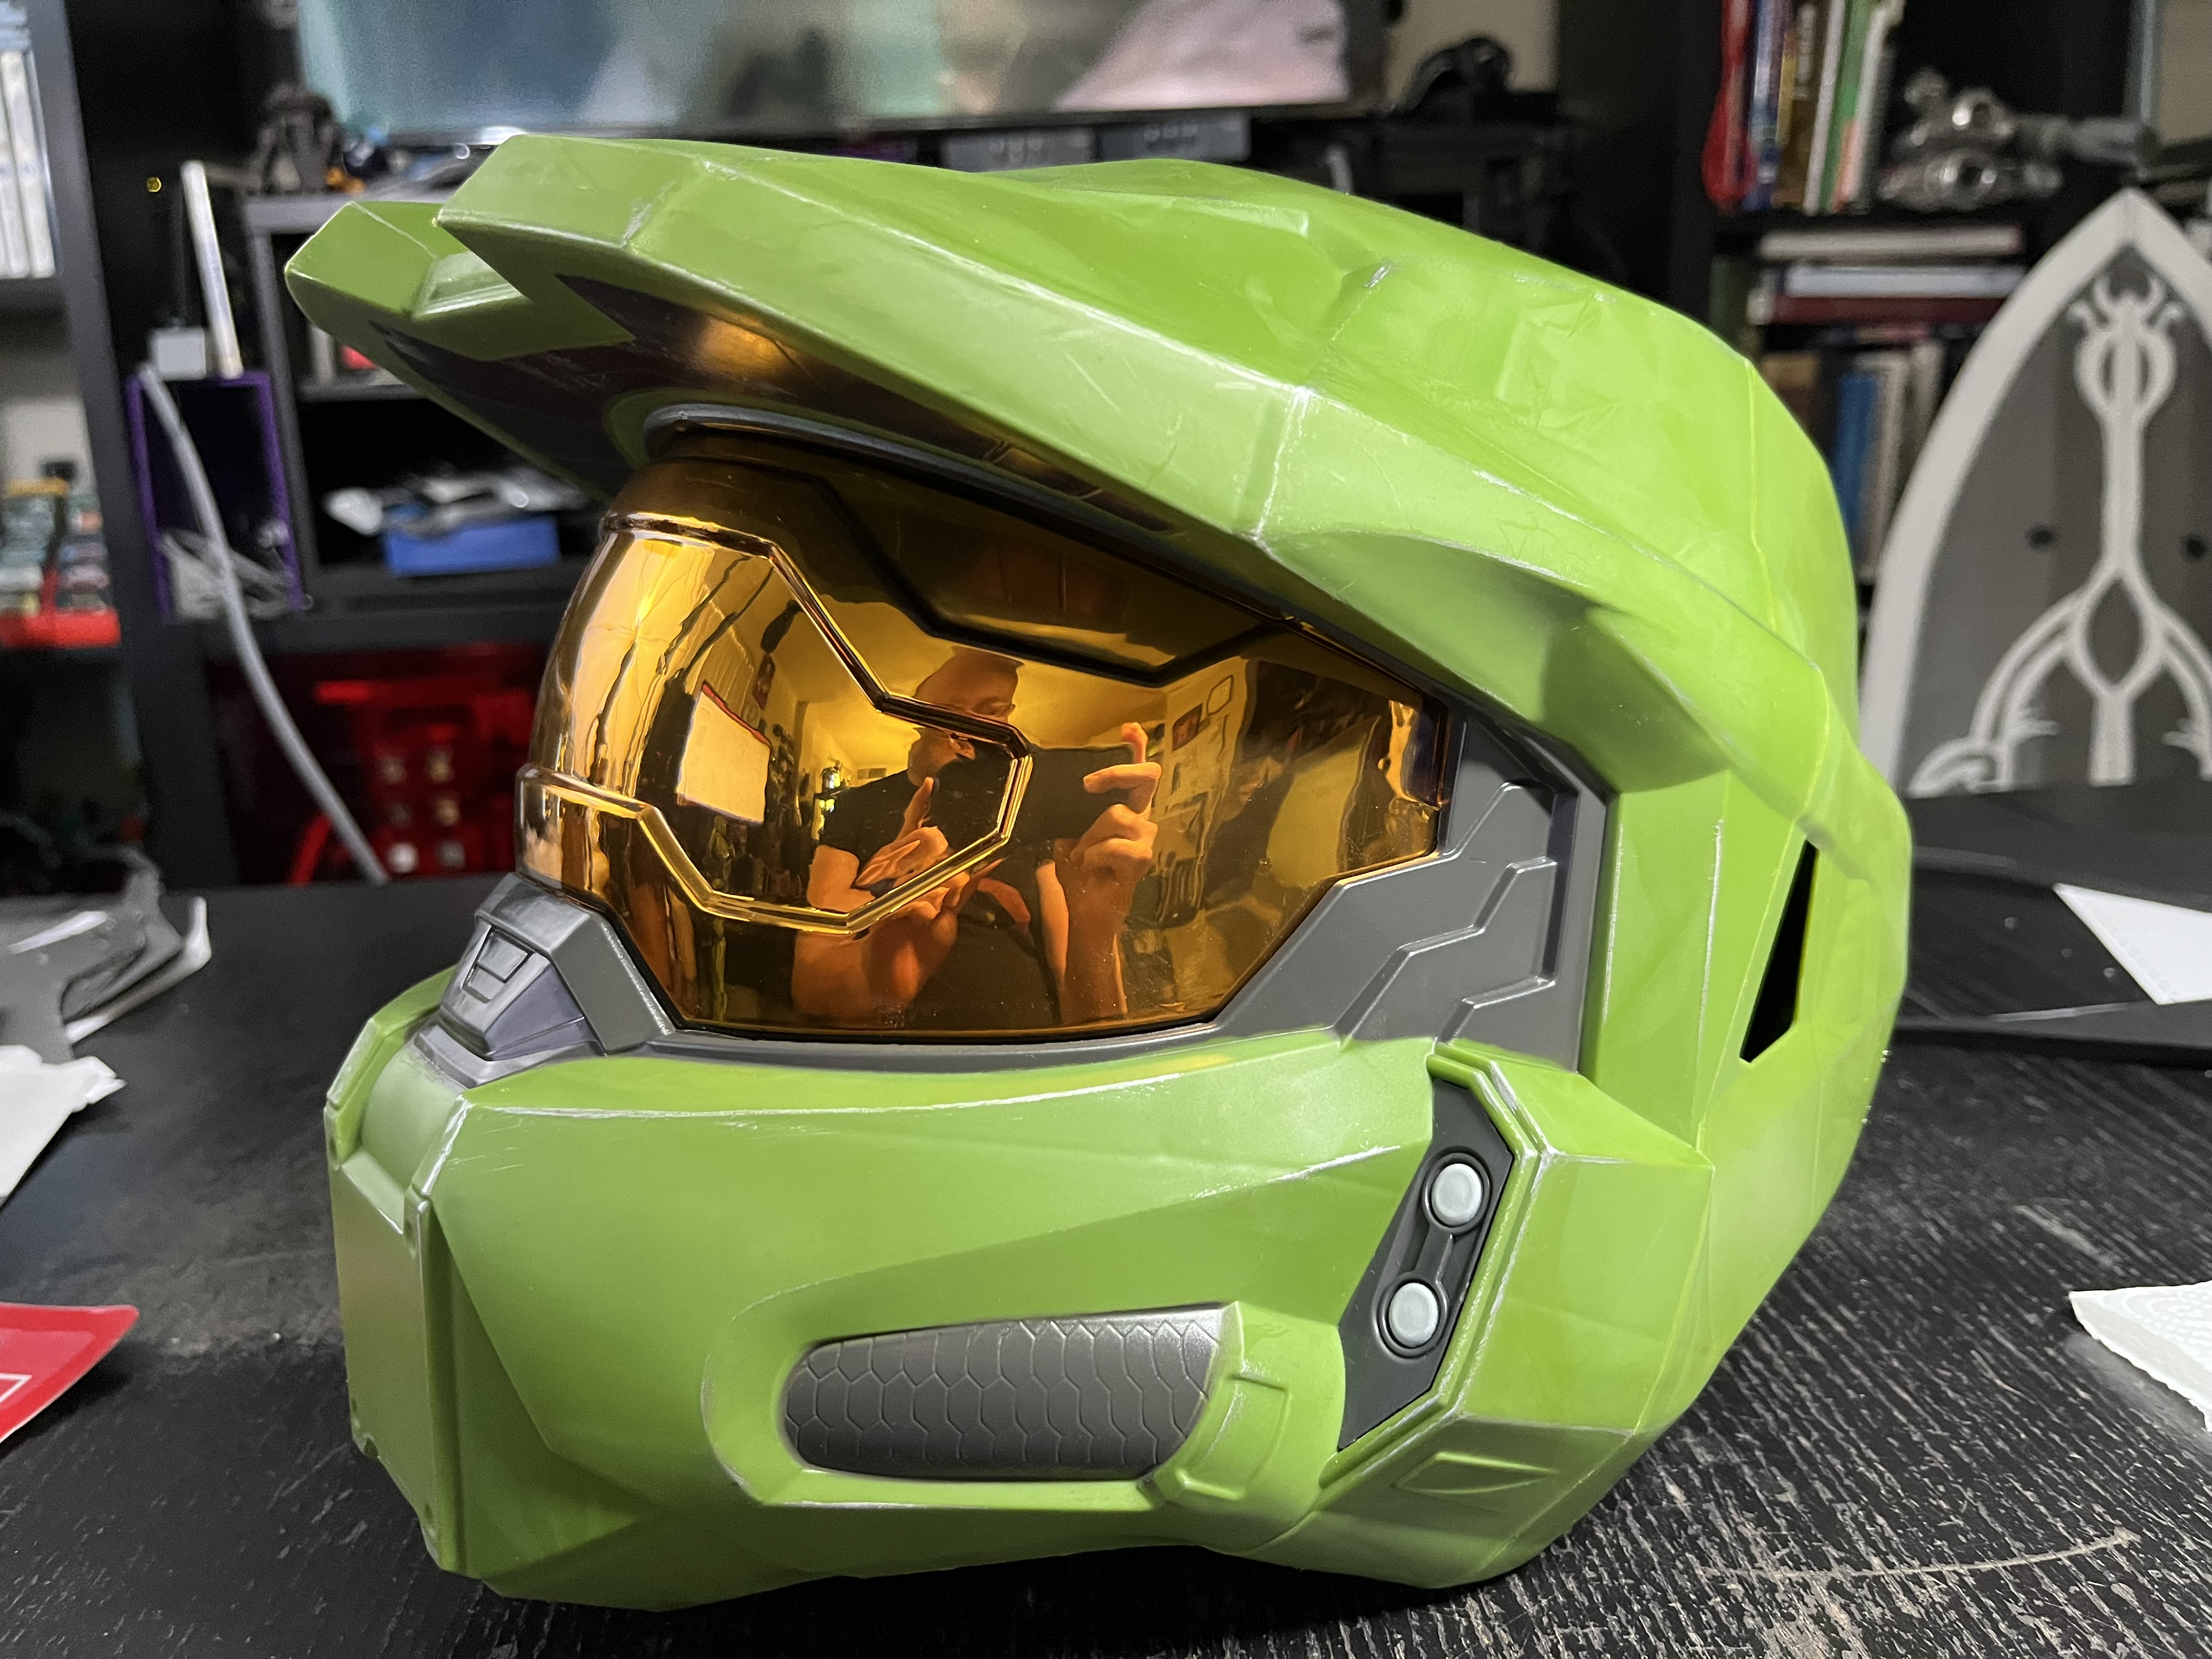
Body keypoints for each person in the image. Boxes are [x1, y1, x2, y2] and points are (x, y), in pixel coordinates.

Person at [790, 647, 1158, 1030]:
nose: (968, 729)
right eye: (948, 710)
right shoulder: (861, 803)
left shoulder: (1030, 818)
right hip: (889, 1051)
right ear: (915, 712)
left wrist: (1095, 930)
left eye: (992, 711)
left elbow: (1087, 1013)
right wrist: (877, 972)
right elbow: (811, 983)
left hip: (1034, 1055)